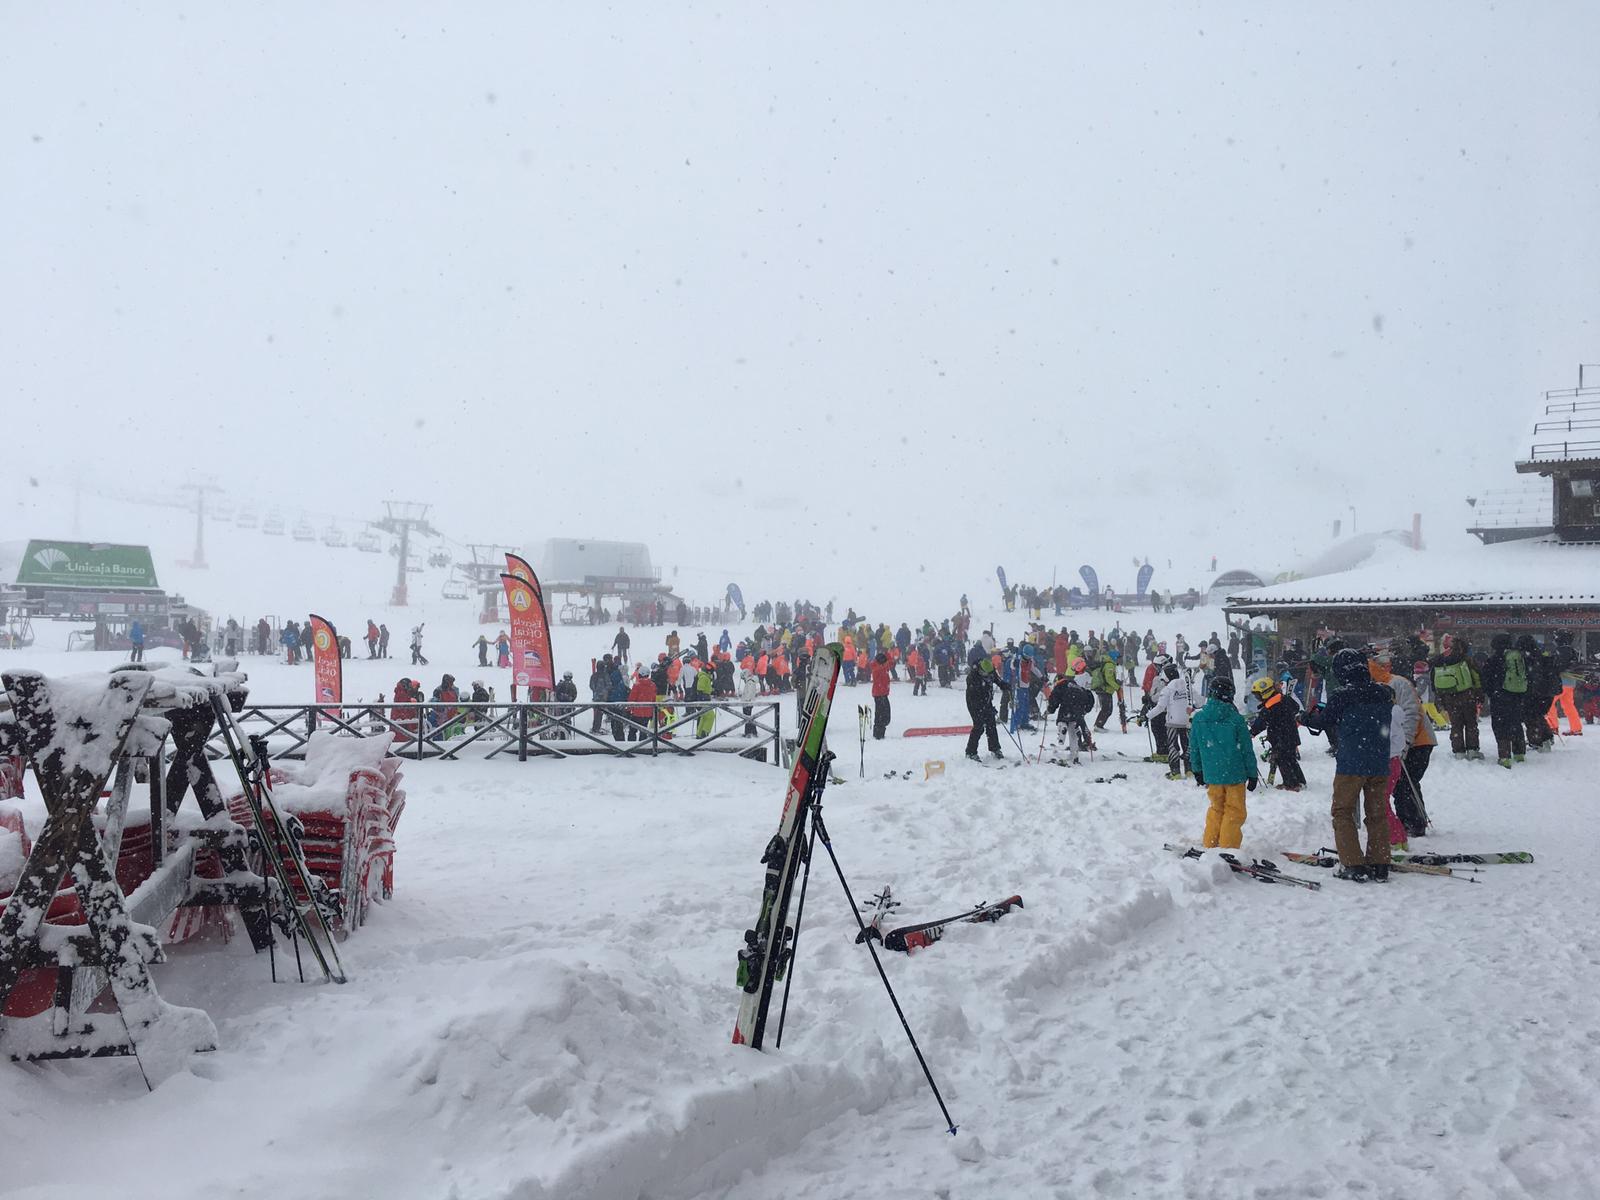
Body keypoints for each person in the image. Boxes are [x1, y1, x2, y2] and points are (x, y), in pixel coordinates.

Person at [1300, 648, 1393, 882]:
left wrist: (1304, 717)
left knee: (1342, 812)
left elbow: (1322, 722)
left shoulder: (1342, 695)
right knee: (1377, 814)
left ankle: (1353, 864)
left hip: (1352, 762)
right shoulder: (1383, 693)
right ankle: (1380, 863)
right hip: (1379, 760)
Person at [1188, 677, 1258, 849]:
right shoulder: (1236, 719)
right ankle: (1228, 847)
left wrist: (1197, 770)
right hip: (1235, 774)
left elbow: (1194, 747)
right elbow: (1246, 750)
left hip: (1212, 774)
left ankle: (1210, 843)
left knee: (1216, 809)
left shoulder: (1199, 719)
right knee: (1234, 811)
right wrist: (1252, 773)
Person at [1248, 675, 1305, 791]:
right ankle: (1299, 780)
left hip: (1280, 739)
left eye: (1258, 695)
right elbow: (1296, 707)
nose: (1258, 698)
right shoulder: (1284, 699)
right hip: (1291, 735)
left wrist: (1251, 732)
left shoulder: (1269, 707)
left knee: (1282, 760)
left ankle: (1291, 784)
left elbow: (1260, 724)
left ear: (1265, 692)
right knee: (1291, 759)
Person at [1481, 634, 1528, 768]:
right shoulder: (1519, 658)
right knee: (1516, 723)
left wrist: (1491, 693)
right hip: (1517, 695)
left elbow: (1486, 679)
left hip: (1500, 697)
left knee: (1501, 726)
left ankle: (1505, 756)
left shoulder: (1494, 660)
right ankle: (1519, 754)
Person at [1431, 637, 1481, 759]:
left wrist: (1440, 696)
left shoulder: (1440, 660)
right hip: (1466, 695)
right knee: (1471, 723)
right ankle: (1472, 750)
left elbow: (1434, 680)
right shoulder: (1465, 659)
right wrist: (1479, 692)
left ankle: (1459, 751)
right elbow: (1476, 677)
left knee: (1456, 724)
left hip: (1449, 696)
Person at [1046, 671, 1096, 763]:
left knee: (1063, 718)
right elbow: (1089, 695)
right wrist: (1085, 710)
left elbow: (1054, 700)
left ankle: (1062, 728)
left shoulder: (1060, 686)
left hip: (1068, 703)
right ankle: (1075, 755)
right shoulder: (1076, 686)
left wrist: (1050, 709)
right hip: (1079, 707)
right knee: (1073, 731)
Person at [1155, 662, 1194, 781]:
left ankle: (1175, 772)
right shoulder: (1187, 687)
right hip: (1187, 721)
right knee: (1187, 745)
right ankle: (1189, 770)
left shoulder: (1167, 689)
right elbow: (1200, 700)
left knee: (1173, 746)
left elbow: (1160, 707)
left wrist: (1147, 716)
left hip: (1172, 722)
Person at [964, 656, 1007, 761]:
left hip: (986, 700)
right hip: (974, 703)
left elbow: (996, 679)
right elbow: (976, 698)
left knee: (991, 724)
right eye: (984, 674)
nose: (987, 676)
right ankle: (970, 752)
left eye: (989, 674)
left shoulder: (990, 670)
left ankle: (995, 748)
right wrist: (985, 708)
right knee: (979, 726)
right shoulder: (972, 678)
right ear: (980, 669)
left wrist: (1003, 685)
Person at [1547, 631, 1583, 736]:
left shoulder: (1561, 650)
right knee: (1568, 705)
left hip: (1560, 682)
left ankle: (1552, 727)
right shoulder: (1573, 650)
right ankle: (1576, 728)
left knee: (1549, 703)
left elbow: (1558, 666)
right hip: (1571, 682)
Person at [1090, 650, 1120, 732]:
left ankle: (1099, 725)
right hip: (1105, 690)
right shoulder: (1110, 665)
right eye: (1118, 658)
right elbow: (1109, 679)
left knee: (1106, 709)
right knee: (1107, 709)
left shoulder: (1108, 664)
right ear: (1114, 658)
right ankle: (1098, 725)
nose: (1119, 660)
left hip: (1103, 689)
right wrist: (1117, 687)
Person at [870, 652, 892, 739]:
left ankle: (879, 733)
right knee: (882, 714)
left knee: (882, 714)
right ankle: (879, 734)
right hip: (880, 694)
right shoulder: (878, 669)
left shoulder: (880, 667)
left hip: (882, 694)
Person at [554, 670, 578, 738]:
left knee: (566, 718)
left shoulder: (571, 685)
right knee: (563, 718)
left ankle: (566, 731)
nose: (567, 679)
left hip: (567, 705)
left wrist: (570, 698)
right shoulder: (562, 684)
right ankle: (563, 732)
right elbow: (557, 694)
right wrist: (565, 698)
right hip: (563, 704)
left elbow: (574, 695)